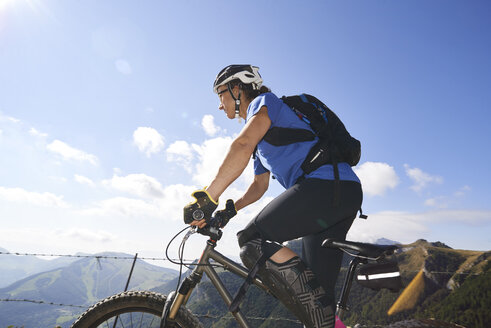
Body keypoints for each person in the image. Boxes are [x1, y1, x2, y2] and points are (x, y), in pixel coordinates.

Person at [183, 65, 362, 328]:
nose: (219, 106)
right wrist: (230, 210)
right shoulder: (262, 142)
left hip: (324, 187)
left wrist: (209, 198)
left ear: (236, 89)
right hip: (339, 194)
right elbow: (259, 185)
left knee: (251, 239)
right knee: (319, 303)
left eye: (219, 94)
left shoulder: (264, 103)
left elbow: (242, 144)